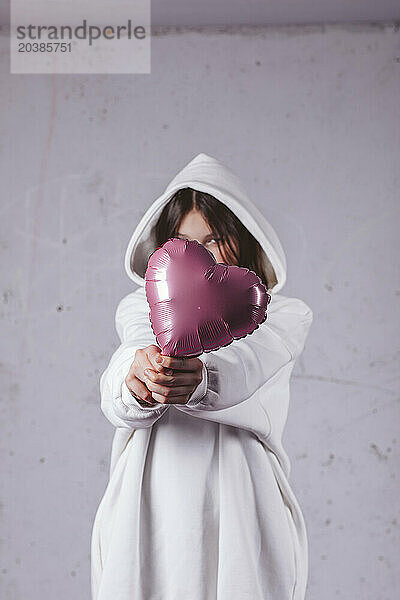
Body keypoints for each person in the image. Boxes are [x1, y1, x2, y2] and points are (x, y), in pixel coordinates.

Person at [90, 152, 314, 600]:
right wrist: (139, 380)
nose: (194, 257)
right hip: (150, 502)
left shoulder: (284, 316)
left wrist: (201, 377)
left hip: (241, 501)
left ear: (243, 238)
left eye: (212, 241)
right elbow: (129, 359)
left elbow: (249, 363)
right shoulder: (141, 309)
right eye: (181, 243)